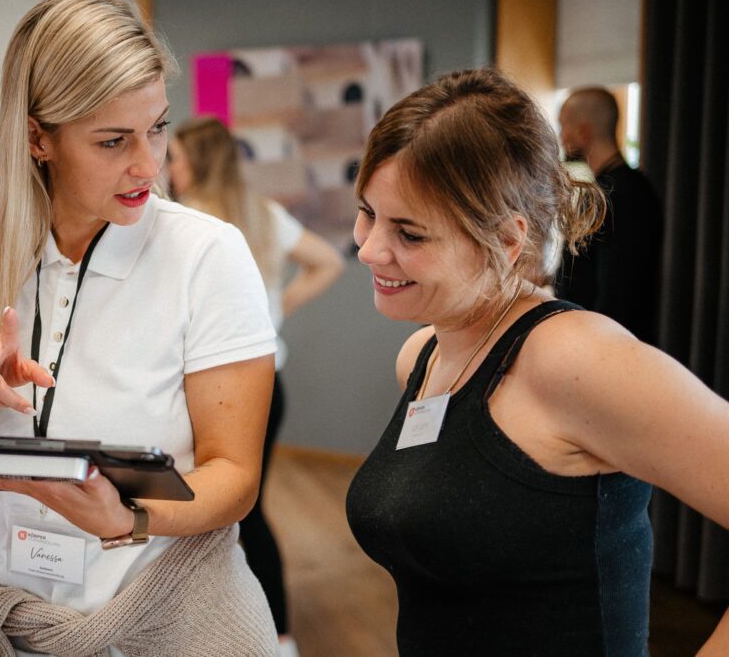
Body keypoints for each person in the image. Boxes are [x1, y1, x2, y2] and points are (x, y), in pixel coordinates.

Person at [0, 0, 280, 656]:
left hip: (177, 618)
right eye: (113, 140)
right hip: (13, 617)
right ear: (38, 137)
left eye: (158, 128)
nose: (148, 163)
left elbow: (236, 476)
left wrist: (129, 518)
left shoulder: (207, 254)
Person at [344, 68, 729, 656]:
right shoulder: (422, 357)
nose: (369, 247)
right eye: (368, 212)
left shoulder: (573, 359)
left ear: (506, 240)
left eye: (410, 233)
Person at [167, 117, 345, 656]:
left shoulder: (186, 223)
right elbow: (328, 262)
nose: (166, 168)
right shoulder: (260, 213)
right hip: (269, 383)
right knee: (248, 508)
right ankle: (279, 637)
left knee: (210, 510)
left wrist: (271, 311)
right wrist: (273, 313)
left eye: (172, 156)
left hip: (207, 392)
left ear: (195, 162)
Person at [555, 86, 663, 345]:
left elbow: (617, 292)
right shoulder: (614, 189)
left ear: (583, 132)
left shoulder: (622, 194)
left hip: (608, 345)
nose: (561, 138)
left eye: (563, 128)